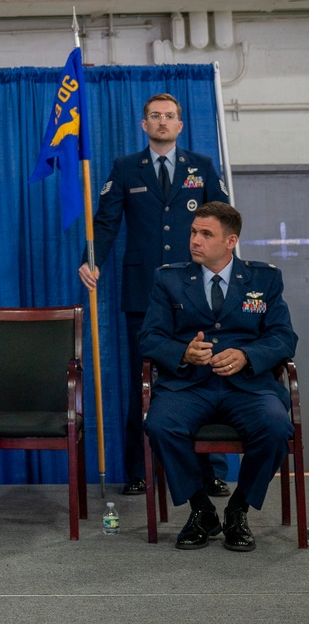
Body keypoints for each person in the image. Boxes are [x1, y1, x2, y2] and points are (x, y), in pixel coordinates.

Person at [78, 93, 226, 495]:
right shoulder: (126, 168)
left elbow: (223, 221)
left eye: (170, 116)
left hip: (197, 290)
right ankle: (138, 469)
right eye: (155, 116)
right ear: (144, 125)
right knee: (141, 380)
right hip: (143, 291)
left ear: (180, 125)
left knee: (204, 375)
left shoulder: (202, 167)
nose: (163, 122)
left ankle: (209, 469)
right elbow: (104, 222)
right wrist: (91, 260)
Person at [141, 202, 296, 551]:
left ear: (230, 241)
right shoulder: (169, 279)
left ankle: (239, 509)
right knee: (160, 425)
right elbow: (150, 337)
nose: (195, 240)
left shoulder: (263, 278)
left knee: (275, 428)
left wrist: (247, 355)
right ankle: (202, 510)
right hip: (189, 385)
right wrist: (183, 352)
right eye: (194, 232)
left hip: (248, 386)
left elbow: (284, 337)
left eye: (205, 234)